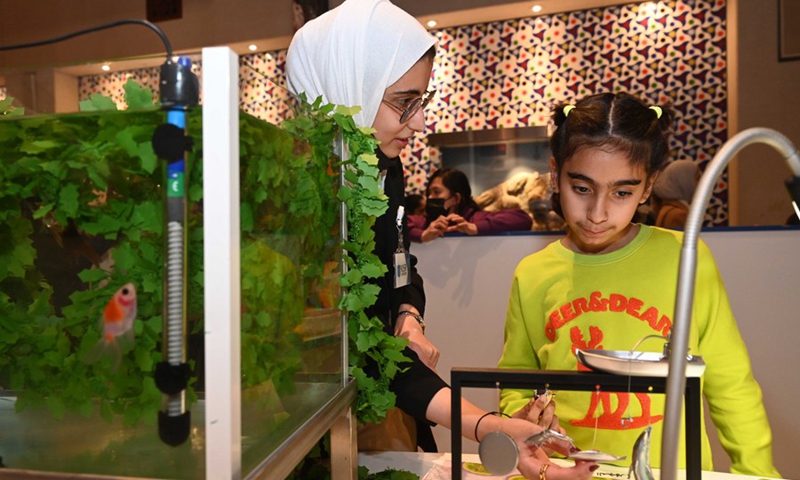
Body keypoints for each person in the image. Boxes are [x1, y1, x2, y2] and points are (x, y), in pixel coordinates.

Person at [286, 1, 597, 478]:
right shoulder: (304, 200)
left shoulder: (382, 168)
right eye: (402, 102)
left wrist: (408, 314)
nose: (419, 123)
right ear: (350, 86)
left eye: (420, 101)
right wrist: (487, 424)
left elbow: (400, 263)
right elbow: (362, 353)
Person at [497, 92, 780, 478]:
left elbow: (731, 384)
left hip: (673, 470)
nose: (597, 213)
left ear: (647, 188)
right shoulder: (532, 273)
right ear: (554, 174)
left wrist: (758, 472)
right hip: (569, 471)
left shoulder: (685, 258)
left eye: (622, 193)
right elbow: (515, 379)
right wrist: (523, 414)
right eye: (581, 189)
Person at [408, 168, 533, 243]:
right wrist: (422, 235)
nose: (430, 198)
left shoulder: (475, 218)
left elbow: (523, 219)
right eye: (428, 193)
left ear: (456, 198)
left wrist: (475, 227)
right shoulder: (424, 222)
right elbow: (394, 225)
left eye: (436, 192)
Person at [651, 159, 702, 229]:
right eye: (697, 178)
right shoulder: (679, 215)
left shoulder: (667, 208)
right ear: (684, 181)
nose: (700, 184)